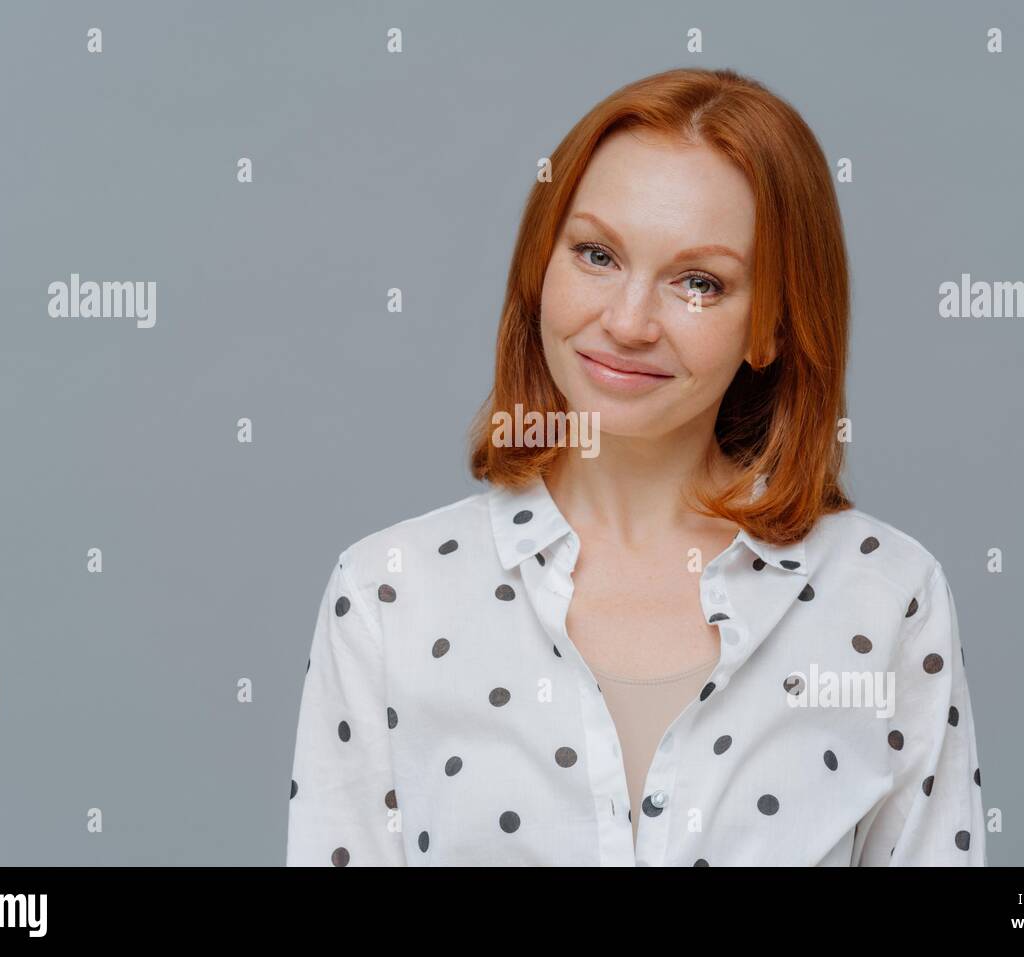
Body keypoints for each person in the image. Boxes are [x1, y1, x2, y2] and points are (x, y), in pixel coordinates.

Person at [287, 66, 986, 866]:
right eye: (595, 254)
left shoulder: (889, 597)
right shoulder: (388, 595)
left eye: (698, 283)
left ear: (773, 327)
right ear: (539, 269)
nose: (627, 322)